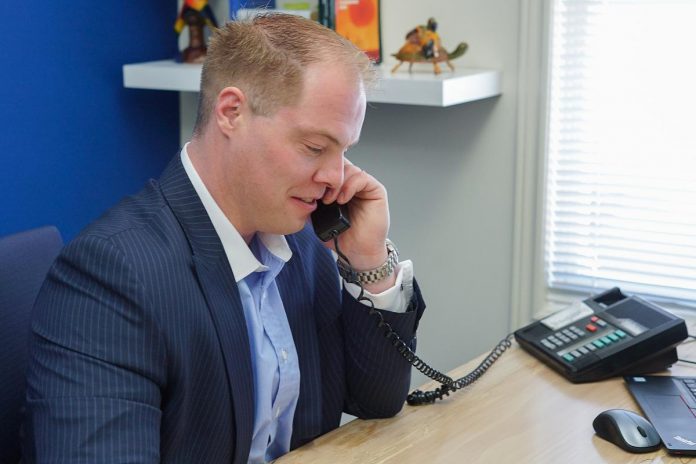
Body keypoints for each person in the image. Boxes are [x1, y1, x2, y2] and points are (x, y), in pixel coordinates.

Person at [22, 13, 425, 464]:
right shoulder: (111, 276)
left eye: (343, 151)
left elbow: (378, 401)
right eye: (315, 148)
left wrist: (368, 259)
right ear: (231, 112)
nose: (335, 178)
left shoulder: (302, 240)